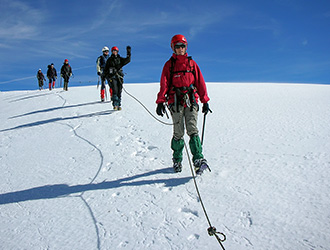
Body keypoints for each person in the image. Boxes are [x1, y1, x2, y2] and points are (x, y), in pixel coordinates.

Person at [156, 34, 211, 175]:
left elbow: (200, 82)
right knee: (178, 133)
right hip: (175, 102)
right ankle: (177, 159)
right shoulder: (169, 65)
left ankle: (198, 160)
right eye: (177, 46)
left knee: (193, 130)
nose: (180, 49)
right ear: (173, 47)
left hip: (191, 101)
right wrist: (161, 101)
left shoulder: (192, 64)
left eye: (183, 46)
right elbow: (164, 83)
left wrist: (205, 101)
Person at [103, 46, 131, 110]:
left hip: (119, 76)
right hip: (112, 77)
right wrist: (104, 76)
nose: (114, 52)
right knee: (115, 90)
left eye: (115, 51)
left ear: (117, 52)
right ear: (112, 52)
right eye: (113, 51)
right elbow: (106, 69)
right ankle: (115, 104)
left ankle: (119, 104)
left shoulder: (120, 59)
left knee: (119, 90)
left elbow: (127, 60)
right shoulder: (109, 60)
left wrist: (128, 53)